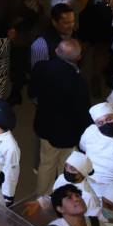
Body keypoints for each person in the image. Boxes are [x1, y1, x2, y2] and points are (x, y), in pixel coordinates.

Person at [31, 38, 93, 195]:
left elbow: (32, 93)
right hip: (68, 134)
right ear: (78, 58)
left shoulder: (41, 68)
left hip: (45, 127)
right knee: (65, 165)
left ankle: (41, 198)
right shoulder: (80, 83)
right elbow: (82, 113)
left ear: (57, 51)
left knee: (46, 164)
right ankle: (60, 196)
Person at [80, 103, 113, 200]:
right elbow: (83, 147)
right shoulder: (90, 131)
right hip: (88, 185)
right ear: (96, 124)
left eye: (109, 119)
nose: (105, 124)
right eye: (100, 123)